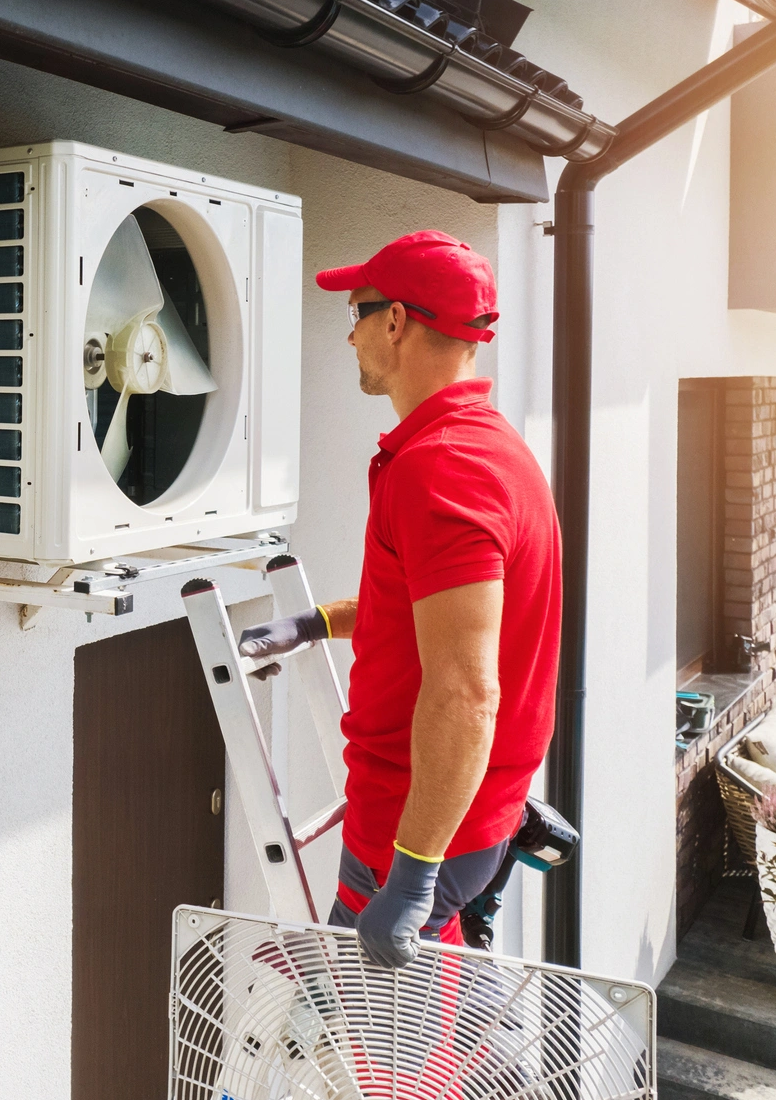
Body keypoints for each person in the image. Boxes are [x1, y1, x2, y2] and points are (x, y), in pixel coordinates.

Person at [237, 230, 562, 969]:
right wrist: (314, 622)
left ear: (395, 321)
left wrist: (412, 875)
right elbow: (433, 613)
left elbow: (466, 691)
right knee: (394, 1027)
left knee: (388, 1065)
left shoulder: (442, 469)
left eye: (355, 312)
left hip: (415, 830)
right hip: (450, 819)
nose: (348, 333)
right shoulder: (480, 448)